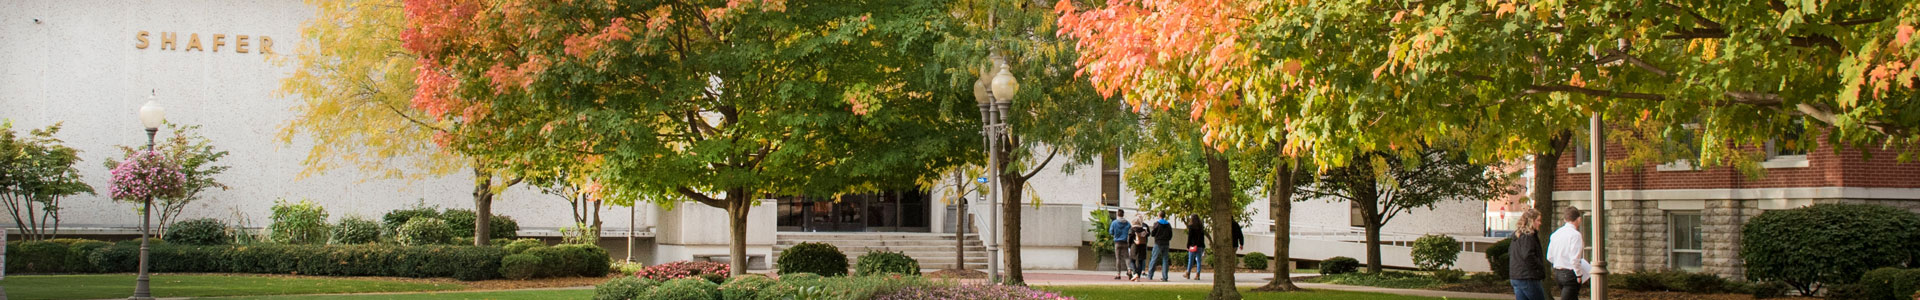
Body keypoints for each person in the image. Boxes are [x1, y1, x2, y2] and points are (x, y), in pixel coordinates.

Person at [1548, 208, 1589, 300]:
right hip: (1570, 273)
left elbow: (1550, 256)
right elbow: (1574, 259)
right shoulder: (1575, 235)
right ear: (1579, 219)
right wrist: (1579, 274)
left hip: (1558, 272)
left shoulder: (1556, 234)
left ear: (1565, 220)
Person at [1509, 208, 1548, 300]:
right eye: (1538, 220)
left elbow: (1511, 253)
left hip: (1516, 276)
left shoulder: (1517, 236)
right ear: (1531, 221)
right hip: (1528, 277)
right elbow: (1528, 255)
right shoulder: (1528, 237)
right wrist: (1539, 267)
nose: (1540, 223)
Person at [1108, 210, 1133, 280]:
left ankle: (1118, 274)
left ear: (1117, 214)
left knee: (1118, 258)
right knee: (1127, 257)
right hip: (1125, 242)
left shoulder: (1114, 223)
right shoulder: (1127, 223)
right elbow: (1131, 231)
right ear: (1123, 214)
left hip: (1117, 242)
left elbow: (1111, 232)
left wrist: (1115, 234)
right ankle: (1129, 270)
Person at [1149, 214, 1174, 281]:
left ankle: (1150, 275)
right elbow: (1171, 235)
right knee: (1165, 260)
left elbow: (1152, 233)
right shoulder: (1168, 224)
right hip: (1166, 243)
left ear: (1159, 215)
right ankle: (1165, 277)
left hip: (1158, 243)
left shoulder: (1157, 224)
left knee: (1154, 259)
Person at [1182, 215, 1208, 280]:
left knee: (1190, 260)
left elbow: (1190, 237)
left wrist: (1188, 245)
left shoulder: (1191, 227)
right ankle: (1197, 274)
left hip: (1193, 245)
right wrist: (1203, 245)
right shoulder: (1201, 227)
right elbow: (1202, 237)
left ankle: (1188, 273)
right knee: (1199, 261)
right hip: (1200, 245)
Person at [1130, 216, 1150, 281]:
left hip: (1134, 246)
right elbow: (1148, 234)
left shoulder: (1132, 229)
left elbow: (1129, 239)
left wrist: (1129, 245)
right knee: (1141, 261)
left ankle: (1135, 273)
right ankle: (1138, 276)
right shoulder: (1144, 229)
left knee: (1132, 260)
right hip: (1143, 246)